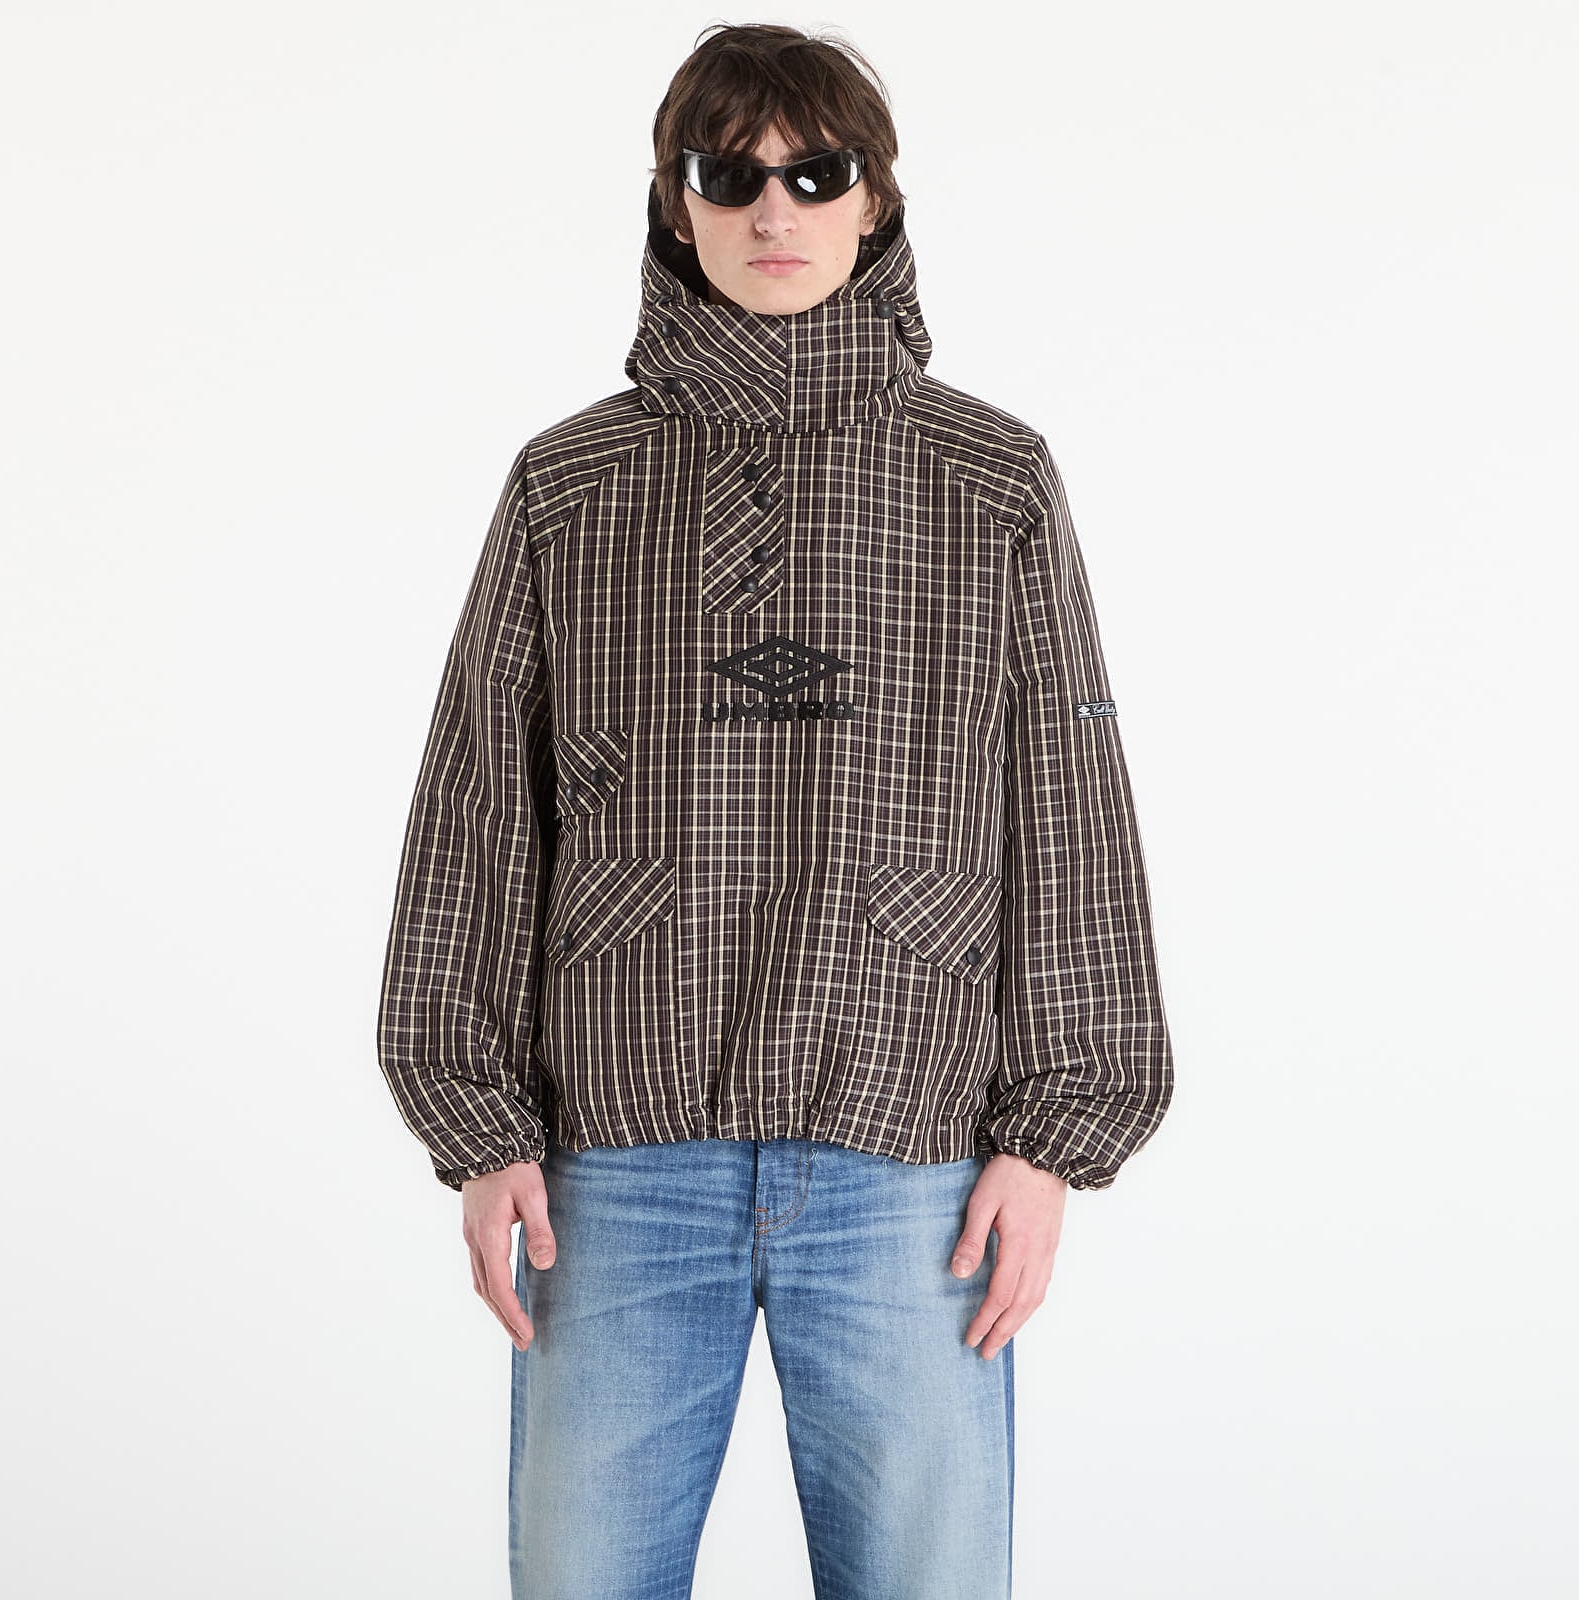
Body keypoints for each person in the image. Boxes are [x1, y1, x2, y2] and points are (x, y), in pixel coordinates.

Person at [376, 22, 1175, 1599]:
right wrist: (477, 1127)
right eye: (728, 175)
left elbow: (1068, 798)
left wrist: (1054, 1141)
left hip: (909, 1158)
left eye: (817, 173)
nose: (773, 209)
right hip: (618, 1158)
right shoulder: (569, 485)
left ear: (877, 198)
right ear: (674, 205)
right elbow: (478, 801)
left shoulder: (990, 479)